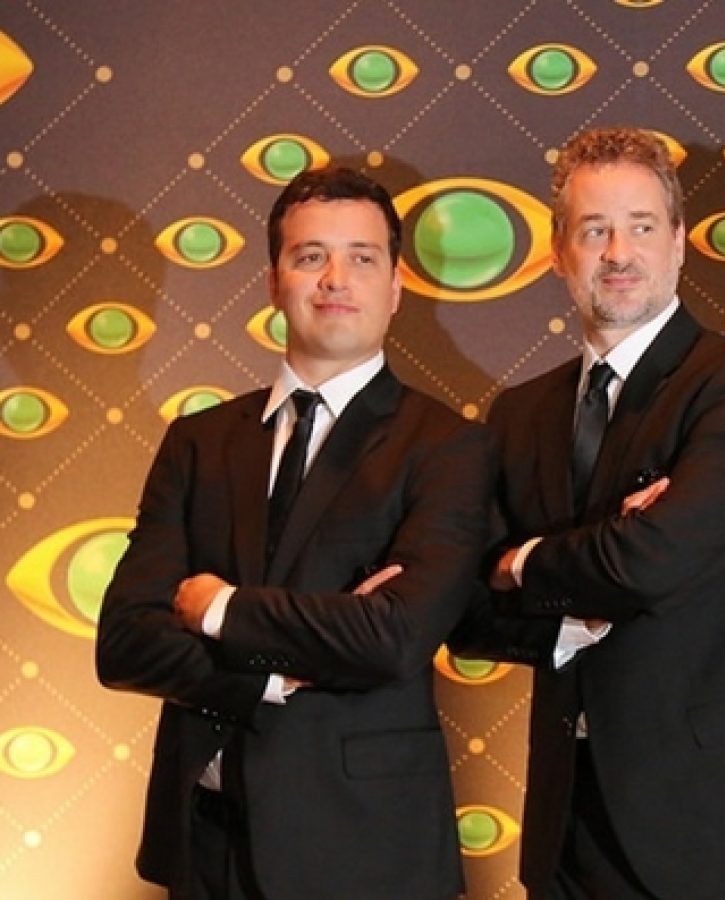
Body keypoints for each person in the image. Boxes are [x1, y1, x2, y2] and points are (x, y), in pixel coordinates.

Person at [452, 126, 725, 900]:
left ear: (679, 242)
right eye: (593, 230)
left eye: (640, 226)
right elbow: (465, 610)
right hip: (568, 817)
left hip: (714, 819)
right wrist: (570, 615)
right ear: (558, 252)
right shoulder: (519, 413)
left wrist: (523, 561)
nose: (618, 253)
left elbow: (653, 560)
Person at [95, 166, 494, 899]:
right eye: (311, 256)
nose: (335, 278)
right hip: (205, 842)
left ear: (396, 286)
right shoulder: (199, 441)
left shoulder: (447, 446)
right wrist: (273, 676)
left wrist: (219, 609)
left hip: (364, 849)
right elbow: (124, 641)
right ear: (273, 283)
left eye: (361, 257)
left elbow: (393, 637)